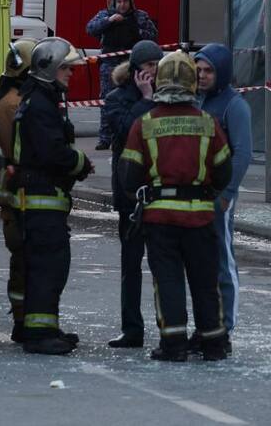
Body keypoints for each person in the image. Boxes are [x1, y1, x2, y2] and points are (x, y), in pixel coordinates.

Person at [119, 50, 232, 362]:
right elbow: (224, 170)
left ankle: (174, 344)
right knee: (205, 281)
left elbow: (129, 175)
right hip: (200, 216)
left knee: (167, 281)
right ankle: (214, 343)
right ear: (192, 83)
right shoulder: (208, 123)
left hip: (161, 217)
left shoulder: (145, 124)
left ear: (161, 80)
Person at [12, 37, 93, 355]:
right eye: (66, 69)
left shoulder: (37, 99)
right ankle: (40, 334)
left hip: (40, 197)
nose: (71, 74)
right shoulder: (41, 105)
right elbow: (52, 152)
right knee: (49, 265)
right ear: (50, 70)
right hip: (42, 197)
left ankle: (44, 327)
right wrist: (80, 163)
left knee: (47, 264)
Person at [101, 40, 163, 348]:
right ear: (137, 68)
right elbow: (127, 130)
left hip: (160, 192)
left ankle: (169, 326)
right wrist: (146, 99)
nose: (153, 71)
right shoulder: (116, 98)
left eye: (157, 65)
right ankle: (132, 328)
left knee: (163, 263)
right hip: (130, 193)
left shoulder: (167, 94)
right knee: (131, 263)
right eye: (148, 66)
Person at [194, 43, 252, 351]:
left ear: (222, 72)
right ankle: (206, 325)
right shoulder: (197, 100)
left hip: (219, 195)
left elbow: (243, 153)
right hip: (196, 192)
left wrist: (228, 192)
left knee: (222, 259)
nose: (202, 76)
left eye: (208, 71)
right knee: (200, 261)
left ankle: (225, 325)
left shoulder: (234, 105)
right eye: (199, 70)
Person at [0, 37, 38, 343]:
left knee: (22, 260)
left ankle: (24, 318)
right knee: (25, 260)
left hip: (13, 190)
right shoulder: (15, 105)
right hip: (21, 191)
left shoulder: (9, 99)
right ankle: (25, 321)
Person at [86, 0, 158, 150]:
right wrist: (109, 21)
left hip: (131, 65)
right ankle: (105, 138)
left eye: (125, 1)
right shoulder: (105, 15)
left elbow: (153, 35)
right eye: (119, 1)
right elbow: (90, 28)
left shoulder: (139, 16)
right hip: (109, 65)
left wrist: (135, 29)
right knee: (107, 101)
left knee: (135, 98)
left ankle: (133, 134)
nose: (122, 5)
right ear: (113, 2)